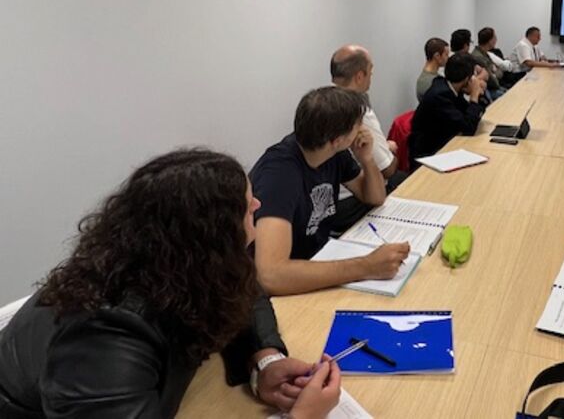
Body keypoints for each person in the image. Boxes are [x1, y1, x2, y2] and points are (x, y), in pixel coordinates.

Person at [0, 150, 340, 418]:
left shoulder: (172, 262)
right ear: (210, 235)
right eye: (245, 203)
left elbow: (244, 289)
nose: (257, 204)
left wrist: (265, 360)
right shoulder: (106, 336)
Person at [251, 87, 409, 296]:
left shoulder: (332, 152)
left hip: (317, 260)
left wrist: (367, 159)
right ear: (338, 140)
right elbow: (271, 275)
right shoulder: (279, 175)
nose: (362, 130)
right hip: (285, 285)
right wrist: (367, 266)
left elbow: (375, 197)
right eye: (358, 125)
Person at [329, 45, 404, 232]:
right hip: (349, 202)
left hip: (333, 199)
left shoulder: (326, 102)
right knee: (404, 180)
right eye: (371, 72)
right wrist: (389, 152)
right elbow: (387, 169)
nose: (372, 77)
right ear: (360, 76)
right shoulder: (358, 111)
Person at [409, 53, 486, 166]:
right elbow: (469, 127)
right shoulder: (440, 96)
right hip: (429, 156)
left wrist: (479, 94)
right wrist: (474, 96)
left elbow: (472, 116)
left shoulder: (450, 87)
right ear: (467, 79)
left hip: (445, 146)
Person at [472, 27, 517, 97]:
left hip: (492, 87)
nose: (496, 40)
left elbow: (496, 72)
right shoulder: (479, 57)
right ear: (490, 41)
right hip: (489, 89)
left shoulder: (485, 53)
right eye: (495, 38)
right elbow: (492, 80)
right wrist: (496, 71)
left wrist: (495, 72)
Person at [416, 37, 449, 102]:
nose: (448, 58)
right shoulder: (427, 83)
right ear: (437, 56)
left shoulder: (434, 77)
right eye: (446, 55)